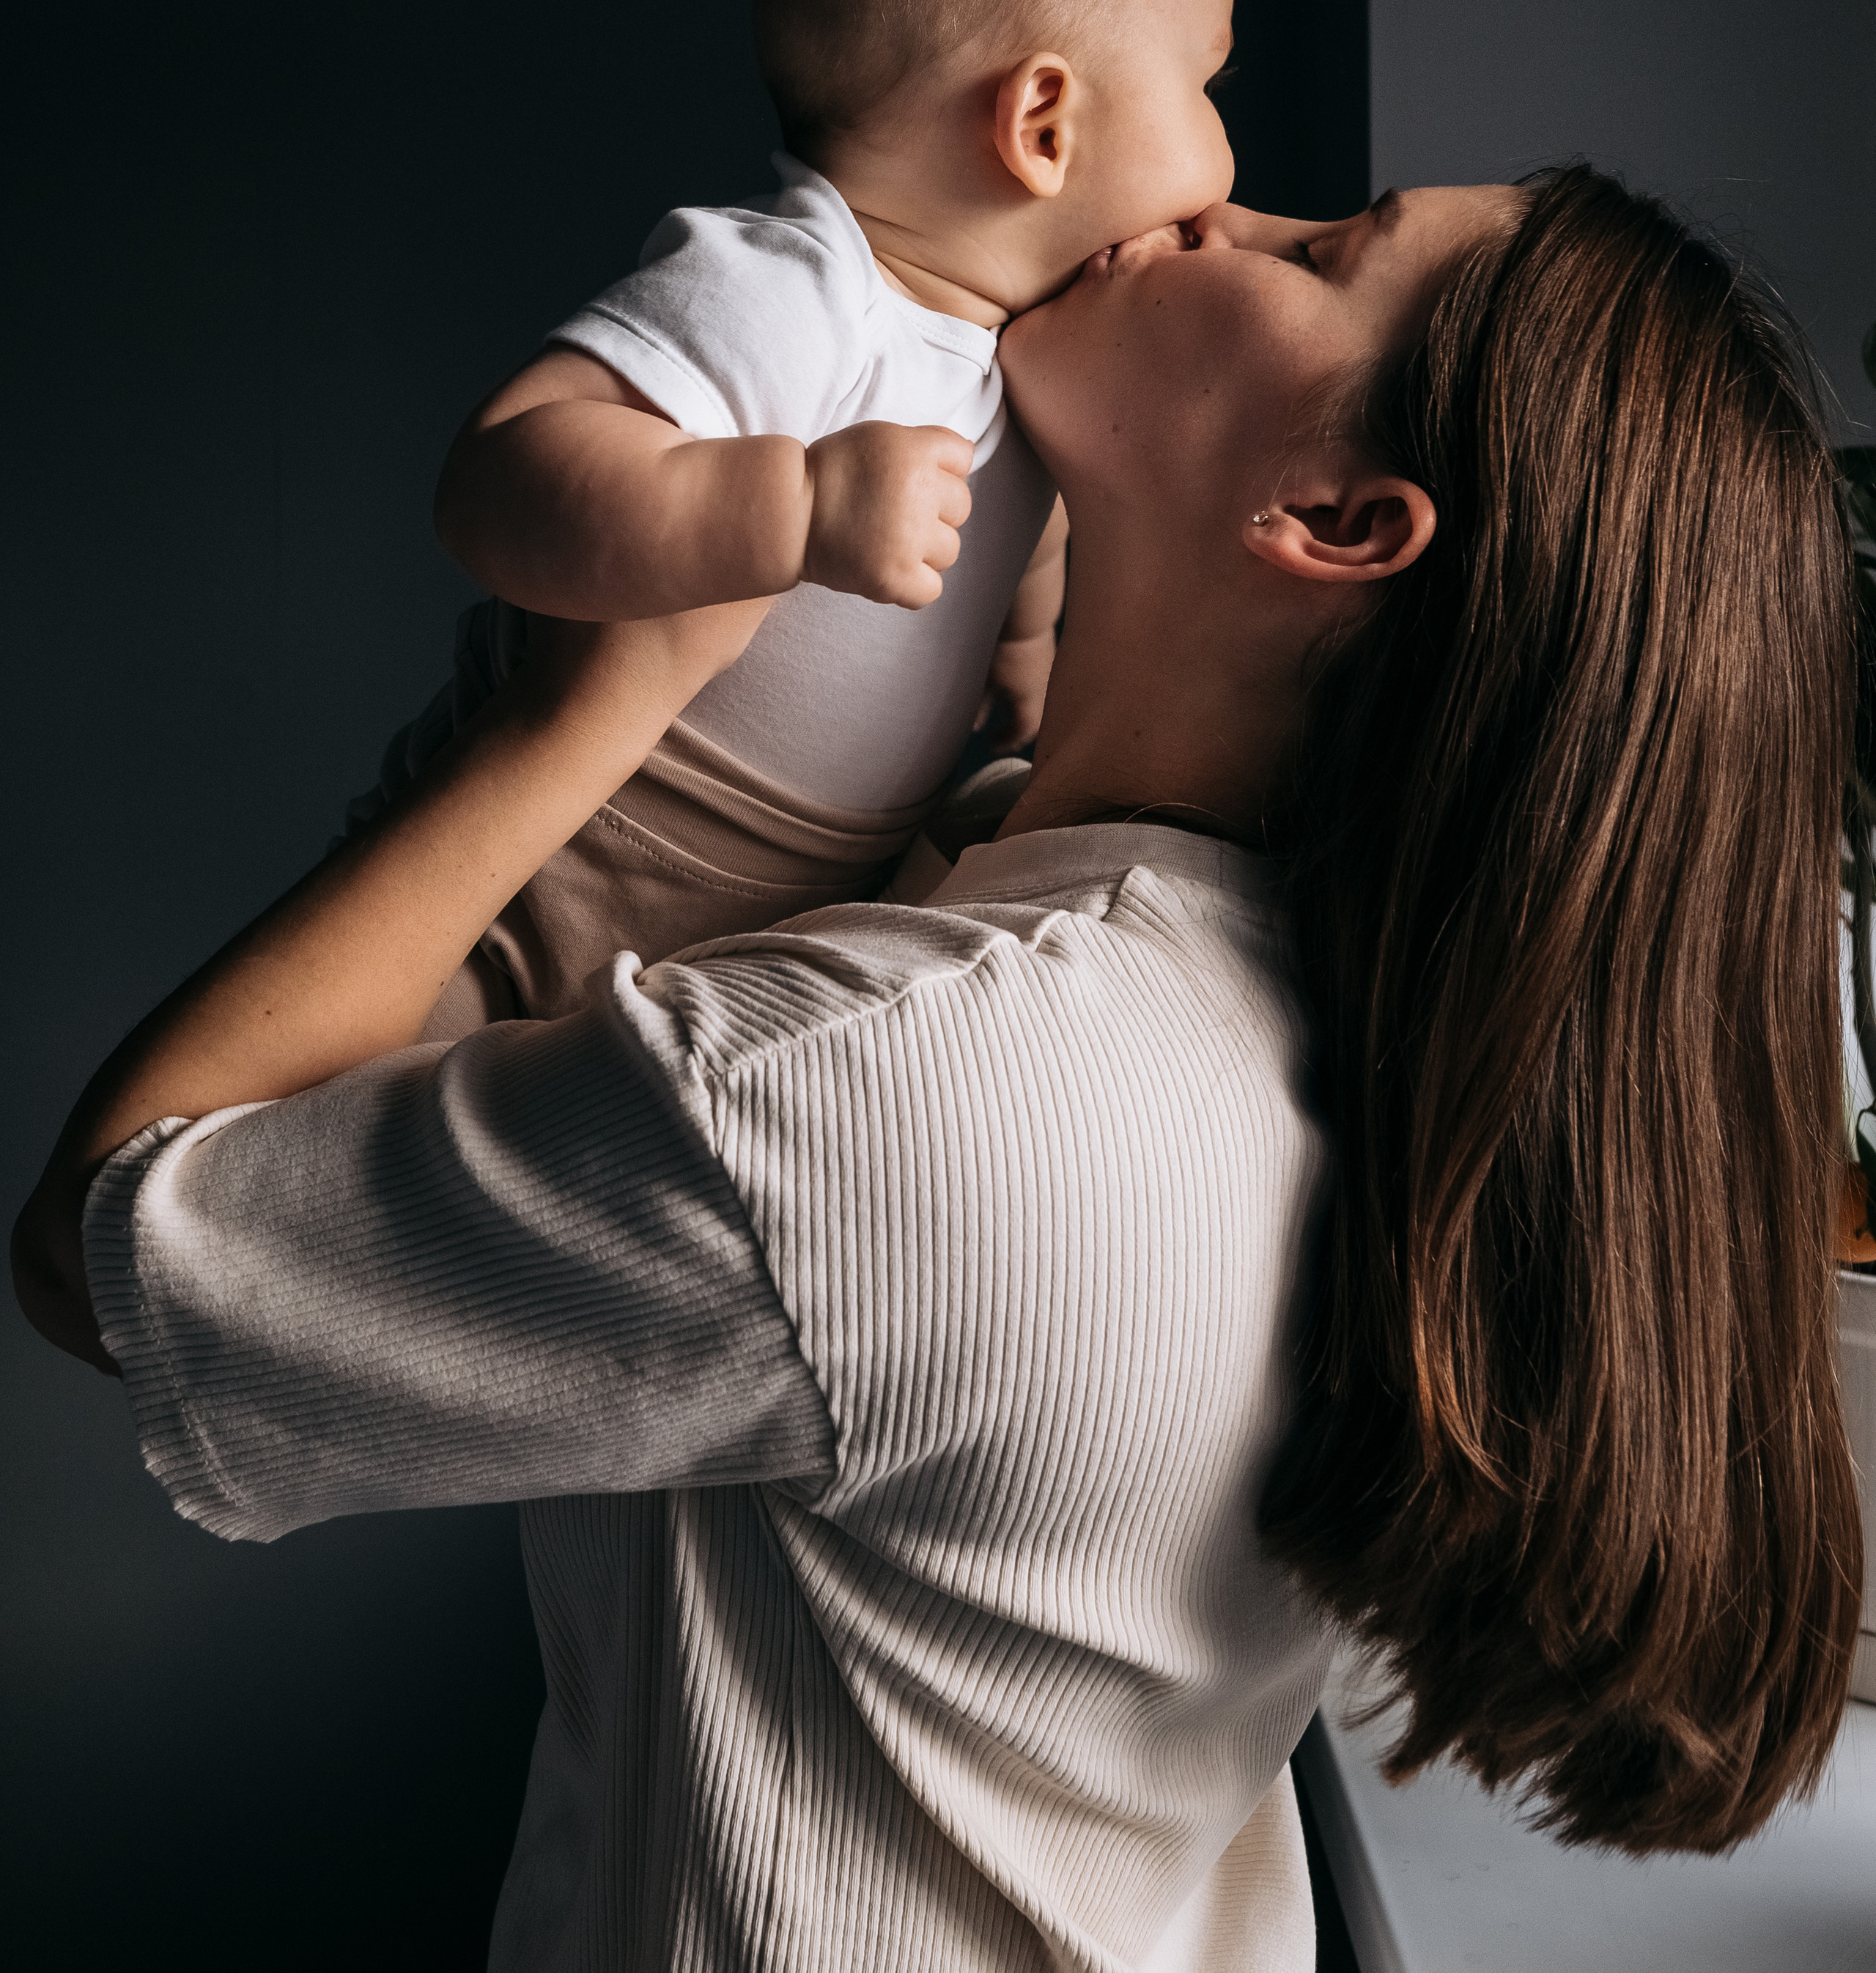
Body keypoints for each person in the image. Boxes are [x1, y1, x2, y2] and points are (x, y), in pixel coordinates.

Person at [13, 169, 1862, 1967]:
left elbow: (117, 1245)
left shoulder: (886, 1098)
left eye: (1319, 252)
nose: (1221, 204)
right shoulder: (1307, 1004)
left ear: (1336, 516)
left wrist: (582, 706)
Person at [376, 0, 1235, 1028]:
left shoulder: (1025, 347)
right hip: (551, 875)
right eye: (1206, 88)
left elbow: (1006, 527)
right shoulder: (798, 288)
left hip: (760, 911)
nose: (1228, 159)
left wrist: (1023, 648)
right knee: (358, 1108)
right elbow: (498, 473)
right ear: (1043, 123)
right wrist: (792, 501)